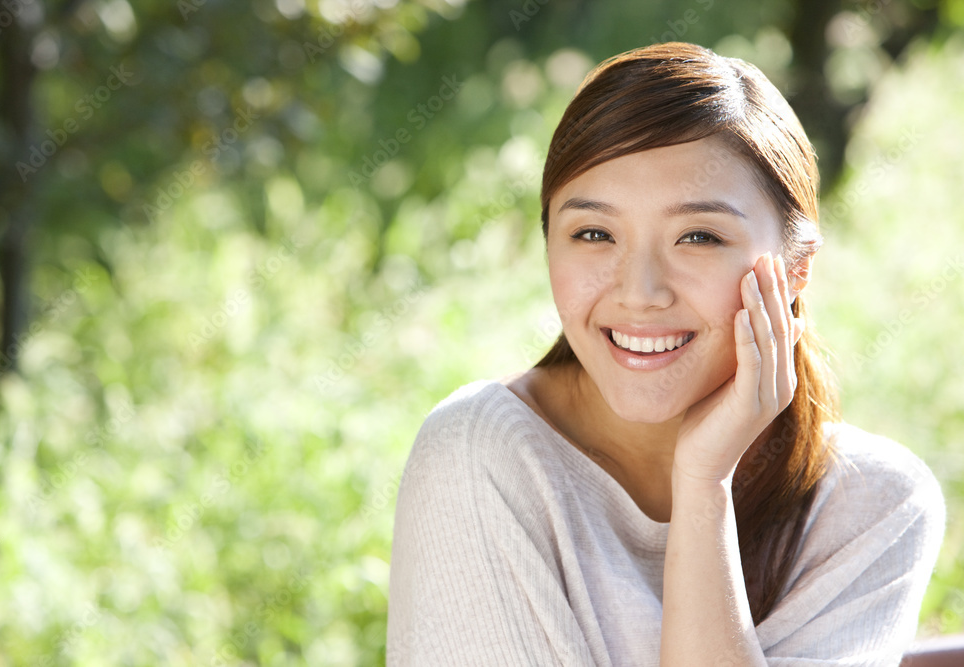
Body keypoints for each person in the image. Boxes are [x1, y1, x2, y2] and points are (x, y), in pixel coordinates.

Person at [386, 42, 945, 666]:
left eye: (699, 237)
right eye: (594, 234)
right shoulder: (479, 454)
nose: (640, 292)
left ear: (796, 268)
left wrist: (704, 484)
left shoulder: (873, 504)